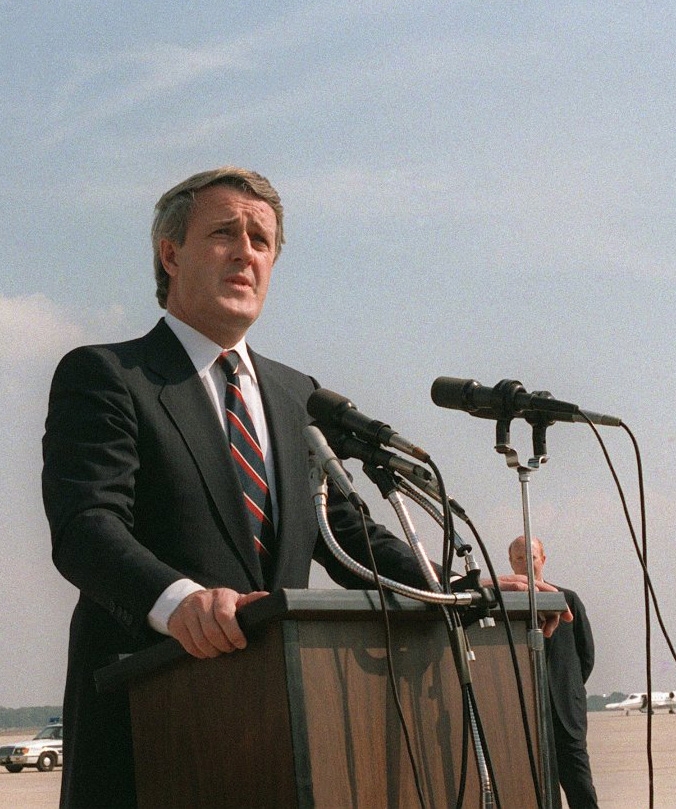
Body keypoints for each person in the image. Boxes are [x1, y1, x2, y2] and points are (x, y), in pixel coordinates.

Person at [43, 165, 568, 808]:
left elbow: (350, 536)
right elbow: (87, 527)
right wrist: (179, 602)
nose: (245, 253)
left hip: (282, 732)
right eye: (224, 234)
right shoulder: (107, 376)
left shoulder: (298, 396)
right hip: (149, 727)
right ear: (170, 253)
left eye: (261, 241)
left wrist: (461, 591)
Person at [508, 535, 598, 809]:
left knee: (581, 788)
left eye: (531, 558)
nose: (526, 564)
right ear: (511, 563)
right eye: (519, 559)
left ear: (543, 560)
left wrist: (565, 689)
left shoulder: (567, 600)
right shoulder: (504, 605)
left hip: (566, 716)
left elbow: (586, 656)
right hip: (526, 714)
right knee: (541, 792)